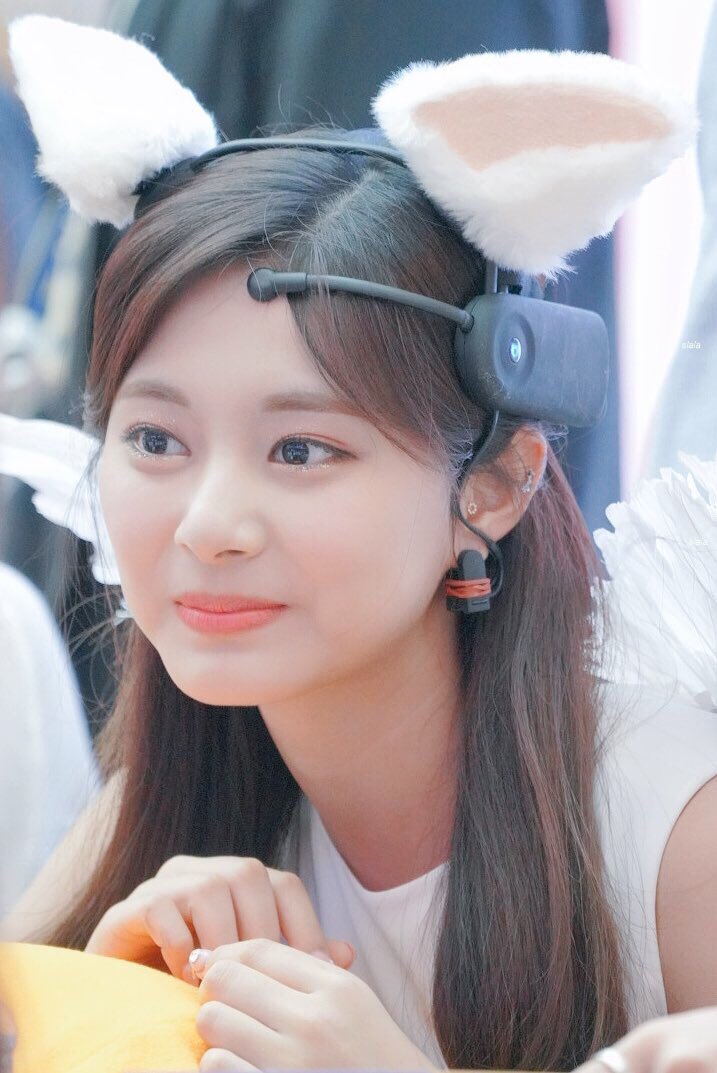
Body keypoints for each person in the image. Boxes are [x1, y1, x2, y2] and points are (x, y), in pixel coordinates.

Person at [3, 15, 717, 1073]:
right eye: (155, 439)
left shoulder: (671, 833)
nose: (208, 524)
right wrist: (106, 1008)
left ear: (496, 485)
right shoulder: (147, 819)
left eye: (301, 449)